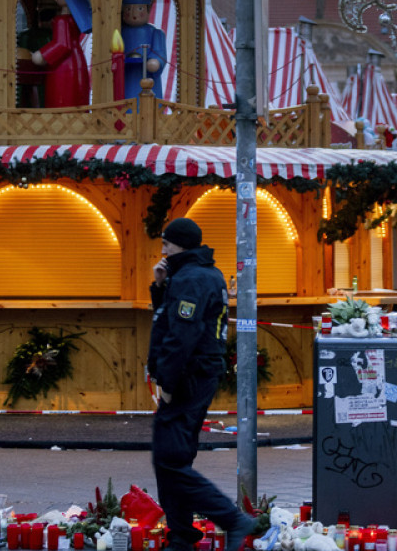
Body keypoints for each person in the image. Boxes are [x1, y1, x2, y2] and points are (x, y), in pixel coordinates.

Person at [147, 218, 253, 551]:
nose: (162, 251)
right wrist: (160, 286)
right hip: (197, 374)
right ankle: (181, 535)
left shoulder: (193, 279)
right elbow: (170, 318)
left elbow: (182, 335)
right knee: (174, 457)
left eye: (166, 244)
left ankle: (232, 519)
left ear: (179, 244)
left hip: (188, 376)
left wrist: (167, 381)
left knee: (169, 460)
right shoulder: (198, 274)